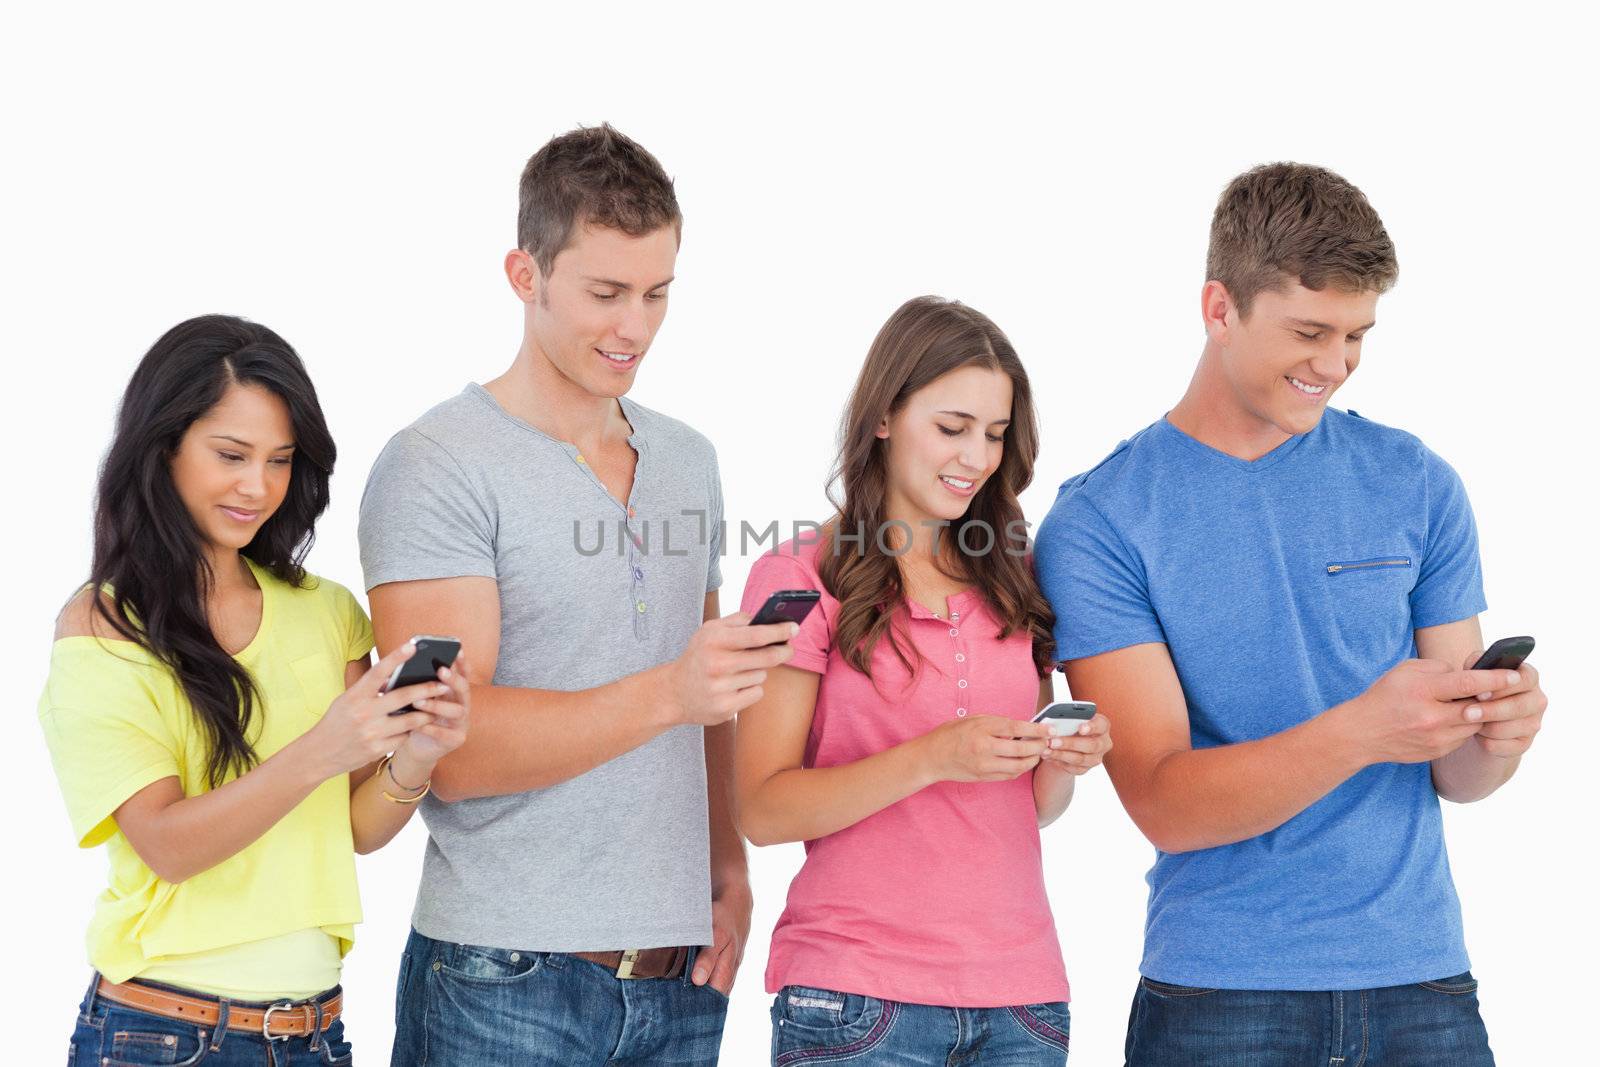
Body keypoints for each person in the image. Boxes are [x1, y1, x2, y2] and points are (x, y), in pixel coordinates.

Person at [1034, 163, 1549, 1066]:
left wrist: (1495, 737)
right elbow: (1163, 801)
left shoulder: (1416, 481)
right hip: (1221, 997)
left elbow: (1455, 777)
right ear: (1219, 308)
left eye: (1357, 334)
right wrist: (1361, 728)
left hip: (1423, 983)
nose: (1335, 365)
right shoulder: (1102, 520)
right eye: (1309, 331)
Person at [360, 124, 790, 1067]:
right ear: (525, 274)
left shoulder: (689, 458)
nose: (633, 327)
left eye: (657, 292)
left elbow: (710, 695)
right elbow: (451, 749)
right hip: (502, 978)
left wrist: (728, 870)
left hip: (679, 978)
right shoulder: (437, 467)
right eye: (604, 293)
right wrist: (670, 691)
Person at [40, 314, 470, 1066]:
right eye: (231, 454)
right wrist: (321, 749)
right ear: (162, 446)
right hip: (161, 1037)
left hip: (314, 1035)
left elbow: (356, 830)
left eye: (280, 459)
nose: (259, 486)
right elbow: (168, 845)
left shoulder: (328, 609)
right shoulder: (104, 625)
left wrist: (418, 755)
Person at [736, 296, 1112, 1065]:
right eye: (952, 427)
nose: (976, 456)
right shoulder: (804, 575)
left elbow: (1032, 809)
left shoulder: (1017, 581)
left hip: (1022, 1002)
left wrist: (1062, 759)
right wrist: (932, 755)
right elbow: (762, 807)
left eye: (995, 434)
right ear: (883, 416)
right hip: (855, 1001)